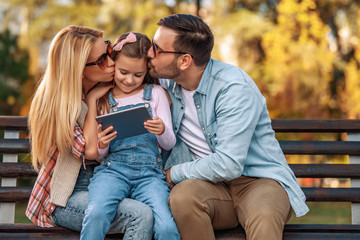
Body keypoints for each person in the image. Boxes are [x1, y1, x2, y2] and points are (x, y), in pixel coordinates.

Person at [147, 14, 310, 240]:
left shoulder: (233, 88)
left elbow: (229, 164)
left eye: (156, 49)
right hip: (208, 187)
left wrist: (173, 172)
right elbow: (124, 65)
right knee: (182, 197)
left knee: (263, 216)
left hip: (257, 181)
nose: (149, 53)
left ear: (184, 61)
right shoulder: (166, 82)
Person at [25, 25, 154, 240]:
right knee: (139, 215)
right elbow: (91, 151)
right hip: (66, 197)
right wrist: (93, 100)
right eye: (103, 60)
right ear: (78, 68)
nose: (113, 63)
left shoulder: (105, 90)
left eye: (110, 52)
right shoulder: (60, 106)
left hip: (105, 184)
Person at [80, 32, 180, 240]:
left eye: (138, 75)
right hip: (112, 170)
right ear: (113, 65)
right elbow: (99, 155)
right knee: (97, 213)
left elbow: (169, 143)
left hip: (149, 175)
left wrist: (161, 130)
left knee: (167, 228)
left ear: (146, 72)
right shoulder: (104, 99)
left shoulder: (155, 94)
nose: (129, 80)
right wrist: (102, 144)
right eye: (123, 72)